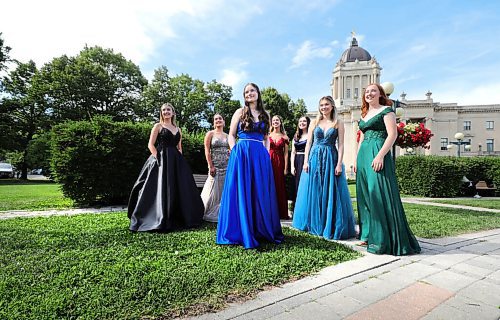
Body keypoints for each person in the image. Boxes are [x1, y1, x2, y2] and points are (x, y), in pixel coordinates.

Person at [216, 83, 284, 249]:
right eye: (246, 92)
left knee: (259, 191)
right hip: (242, 153)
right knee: (242, 191)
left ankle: (260, 229)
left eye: (252, 90)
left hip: (259, 155)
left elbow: (267, 137)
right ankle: (241, 230)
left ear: (258, 93)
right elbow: (231, 135)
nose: (249, 94)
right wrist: (235, 151)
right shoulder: (240, 112)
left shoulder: (265, 114)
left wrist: (265, 154)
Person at [355, 84, 421, 255]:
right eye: (367, 91)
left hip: (378, 152)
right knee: (365, 195)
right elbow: (361, 138)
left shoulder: (387, 111)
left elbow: (392, 135)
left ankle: (383, 238)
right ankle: (367, 234)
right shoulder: (364, 115)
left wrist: (380, 156)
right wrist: (356, 159)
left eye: (373, 91)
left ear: (380, 94)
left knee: (377, 192)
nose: (369, 93)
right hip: (363, 156)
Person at [128, 103, 204, 232]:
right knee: (160, 188)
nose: (166, 112)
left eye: (168, 110)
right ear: (161, 113)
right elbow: (150, 145)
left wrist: (180, 163)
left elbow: (180, 148)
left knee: (180, 187)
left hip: (176, 161)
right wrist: (158, 158)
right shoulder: (158, 126)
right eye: (163, 110)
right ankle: (157, 217)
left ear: (173, 113)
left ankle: (180, 216)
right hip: (160, 159)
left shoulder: (178, 129)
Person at [292, 96, 356, 240]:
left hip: (330, 158)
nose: (324, 107)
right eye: (321, 105)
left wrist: (339, 163)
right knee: (314, 189)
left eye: (326, 104)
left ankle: (328, 223)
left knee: (330, 190)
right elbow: (308, 143)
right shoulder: (314, 122)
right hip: (314, 157)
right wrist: (306, 162)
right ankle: (314, 223)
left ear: (332, 106)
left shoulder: (338, 122)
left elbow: (341, 145)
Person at [200, 114, 230, 222]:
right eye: (216, 119)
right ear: (213, 122)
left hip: (227, 166)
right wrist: (210, 166)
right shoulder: (210, 134)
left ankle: (223, 212)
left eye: (220, 118)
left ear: (223, 121)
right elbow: (207, 151)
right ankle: (205, 211)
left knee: (224, 190)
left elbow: (231, 150)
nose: (218, 120)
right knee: (211, 190)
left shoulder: (227, 135)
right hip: (215, 167)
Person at [269, 115, 290, 220]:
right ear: (271, 123)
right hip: (269, 161)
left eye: (277, 120)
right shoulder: (267, 136)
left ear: (280, 122)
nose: (275, 122)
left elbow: (286, 154)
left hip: (280, 162)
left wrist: (286, 167)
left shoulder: (285, 137)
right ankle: (270, 211)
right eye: (273, 120)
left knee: (279, 185)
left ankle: (281, 212)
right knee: (269, 185)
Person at [290, 116, 311, 202]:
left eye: (304, 121)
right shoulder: (296, 136)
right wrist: (292, 166)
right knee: (298, 184)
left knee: (307, 184)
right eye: (300, 121)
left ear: (308, 123)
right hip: (297, 161)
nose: (302, 123)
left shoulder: (311, 135)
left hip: (307, 160)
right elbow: (293, 152)